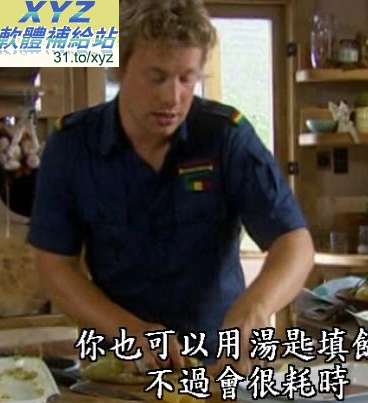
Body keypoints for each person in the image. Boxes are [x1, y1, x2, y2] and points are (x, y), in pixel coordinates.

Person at [28, 0, 314, 375]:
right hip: (119, 364)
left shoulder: (225, 137)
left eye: (186, 79)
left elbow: (294, 243)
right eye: (157, 77)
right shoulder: (72, 145)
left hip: (219, 363)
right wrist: (130, 331)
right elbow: (55, 267)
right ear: (119, 68)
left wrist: (256, 306)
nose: (172, 98)